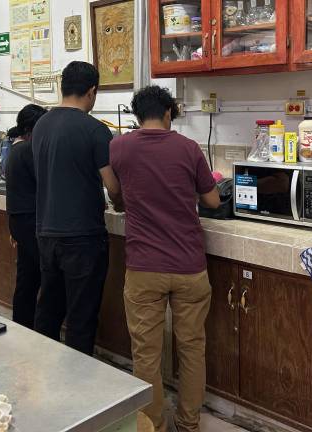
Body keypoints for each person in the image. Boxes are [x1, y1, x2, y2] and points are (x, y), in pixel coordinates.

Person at [105, 85, 220, 432]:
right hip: (188, 266)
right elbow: (213, 201)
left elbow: (116, 193)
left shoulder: (119, 146)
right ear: (169, 113)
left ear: (137, 115)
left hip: (144, 268)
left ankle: (152, 425)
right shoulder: (189, 148)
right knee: (192, 349)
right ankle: (188, 424)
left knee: (146, 353)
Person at [31, 61, 120, 355]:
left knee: (49, 310)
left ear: (63, 86)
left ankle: (44, 370)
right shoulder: (95, 130)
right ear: (92, 91)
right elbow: (112, 186)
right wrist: (121, 203)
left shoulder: (41, 124)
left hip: (46, 233)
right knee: (81, 318)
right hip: (83, 237)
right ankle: (77, 379)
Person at [4, 104, 47, 330]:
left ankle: (22, 327)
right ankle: (33, 328)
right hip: (29, 221)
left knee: (27, 278)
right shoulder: (27, 150)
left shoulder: (16, 148)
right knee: (39, 279)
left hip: (19, 220)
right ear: (32, 129)